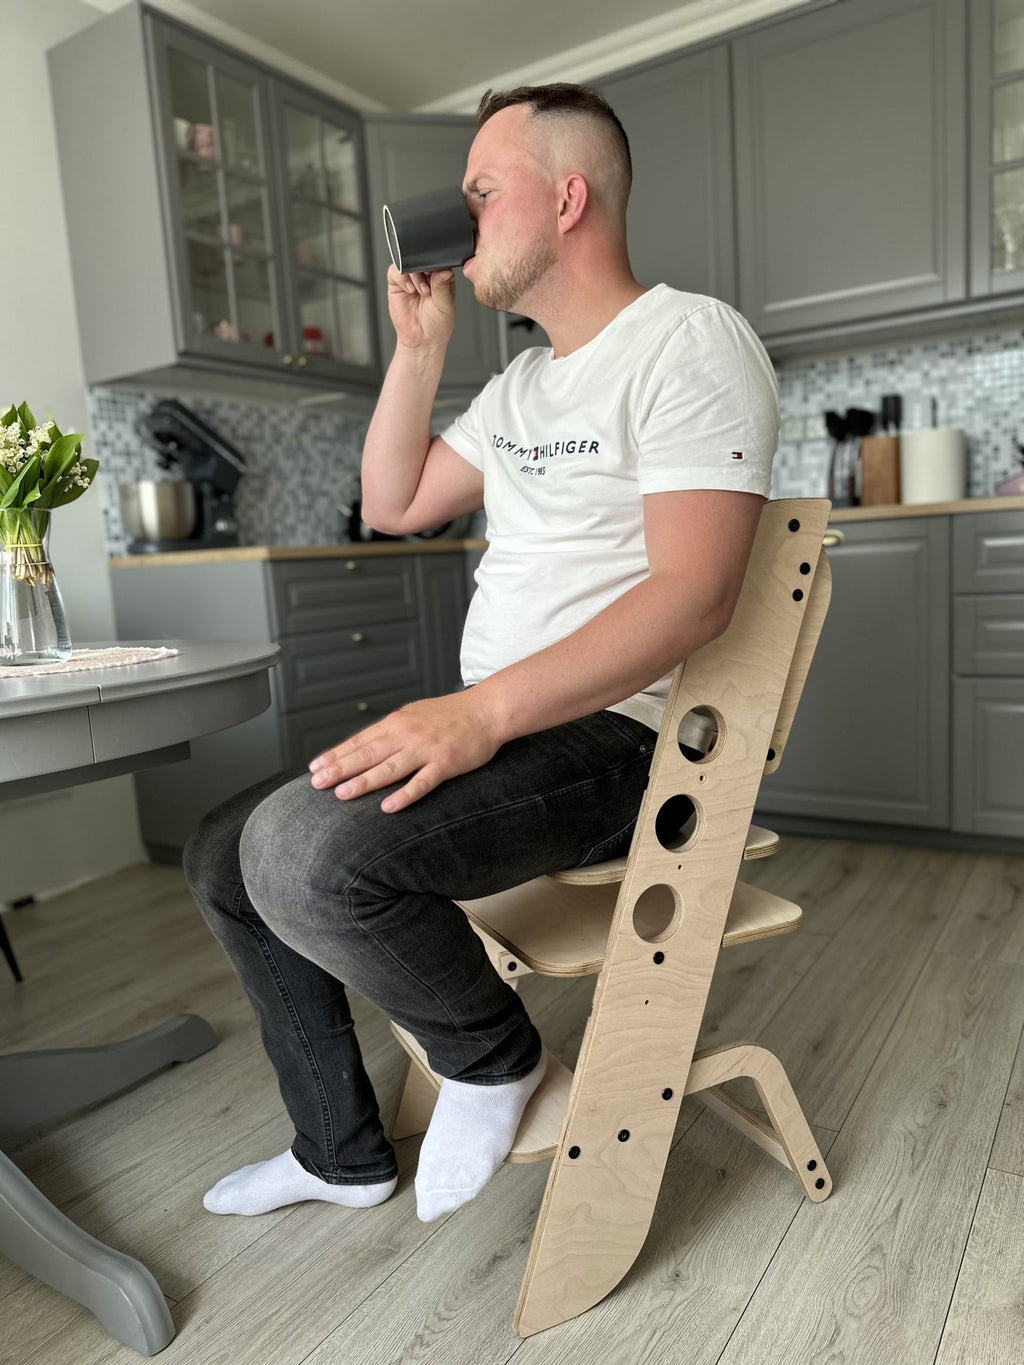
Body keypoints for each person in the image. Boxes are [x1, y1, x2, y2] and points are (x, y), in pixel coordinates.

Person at [184, 83, 779, 1225]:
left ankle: (492, 1060)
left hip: (628, 748)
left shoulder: (687, 339)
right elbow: (394, 500)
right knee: (225, 851)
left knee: (308, 860)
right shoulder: (516, 386)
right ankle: (338, 1153)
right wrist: (418, 350)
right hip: (511, 727)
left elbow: (695, 595)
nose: (455, 223)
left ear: (566, 198)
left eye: (478, 194)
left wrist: (482, 715)